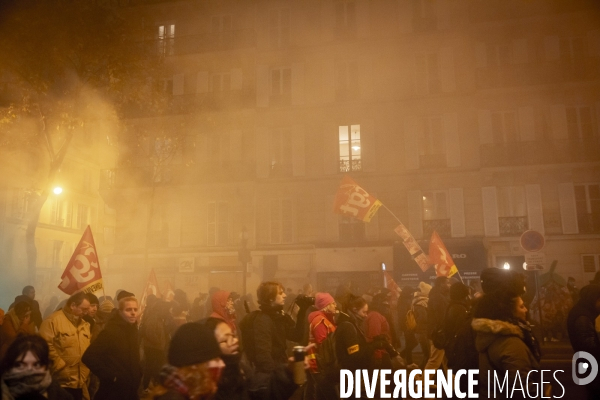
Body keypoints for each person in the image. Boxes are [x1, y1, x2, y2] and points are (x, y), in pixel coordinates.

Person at [202, 317, 297, 400]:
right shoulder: (205, 384)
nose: (234, 341)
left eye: (233, 336)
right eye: (224, 340)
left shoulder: (241, 369)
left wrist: (289, 372)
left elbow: (263, 392)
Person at [472, 291, 542, 398]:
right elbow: (521, 388)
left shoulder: (489, 338)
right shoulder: (511, 344)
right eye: (521, 307)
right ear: (510, 313)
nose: (526, 310)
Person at [82, 296, 142, 400]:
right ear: (120, 312)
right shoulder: (111, 332)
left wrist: (138, 372)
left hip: (130, 391)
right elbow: (88, 357)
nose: (133, 313)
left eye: (135, 309)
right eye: (128, 310)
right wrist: (111, 377)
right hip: (112, 393)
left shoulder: (133, 331)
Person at [148, 322, 225, 400]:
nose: (222, 364)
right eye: (216, 360)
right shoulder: (173, 397)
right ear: (195, 366)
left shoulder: (193, 393)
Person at [38, 292, 91, 400]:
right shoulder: (52, 321)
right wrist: (60, 365)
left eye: (87, 309)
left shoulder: (85, 325)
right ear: (73, 306)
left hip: (80, 382)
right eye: (83, 309)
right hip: (60, 382)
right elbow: (43, 345)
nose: (86, 312)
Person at [0, 334, 74, 400]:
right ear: (9, 366)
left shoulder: (60, 395)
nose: (29, 371)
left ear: (47, 366)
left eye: (37, 365)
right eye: (20, 365)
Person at [335, 295, 386, 372]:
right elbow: (355, 356)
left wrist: (373, 341)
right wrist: (373, 346)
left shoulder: (351, 323)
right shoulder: (348, 327)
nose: (366, 315)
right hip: (352, 373)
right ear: (355, 310)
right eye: (364, 312)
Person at [567, 284, 600, 399]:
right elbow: (589, 347)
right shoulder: (583, 317)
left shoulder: (585, 312)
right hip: (593, 369)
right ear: (593, 298)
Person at [306, 292, 338, 400]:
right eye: (333, 303)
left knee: (321, 395)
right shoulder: (320, 321)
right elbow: (323, 346)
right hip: (320, 366)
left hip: (321, 366)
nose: (335, 306)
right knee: (330, 395)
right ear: (326, 306)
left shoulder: (325, 319)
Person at [140, 297, 171, 391]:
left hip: (156, 347)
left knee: (155, 368)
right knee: (151, 368)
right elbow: (149, 331)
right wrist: (158, 342)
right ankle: (146, 387)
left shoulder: (159, 318)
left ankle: (152, 385)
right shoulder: (153, 317)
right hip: (153, 348)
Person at [424, 276, 450, 374]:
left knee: (446, 361)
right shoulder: (438, 297)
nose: (449, 285)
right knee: (434, 361)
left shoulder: (439, 296)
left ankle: (452, 385)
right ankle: (422, 385)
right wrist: (440, 330)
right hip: (438, 334)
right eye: (447, 283)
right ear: (441, 284)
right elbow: (440, 317)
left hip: (439, 332)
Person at [412, 282, 431, 369]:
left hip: (421, 331)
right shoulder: (421, 303)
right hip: (423, 331)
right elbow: (424, 319)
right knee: (428, 355)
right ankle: (420, 375)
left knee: (427, 354)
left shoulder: (418, 301)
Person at [397, 286, 417, 368]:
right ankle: (407, 360)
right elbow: (403, 315)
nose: (412, 294)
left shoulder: (404, 299)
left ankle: (405, 358)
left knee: (410, 343)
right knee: (412, 343)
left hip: (407, 325)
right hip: (407, 325)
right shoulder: (404, 301)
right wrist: (404, 326)